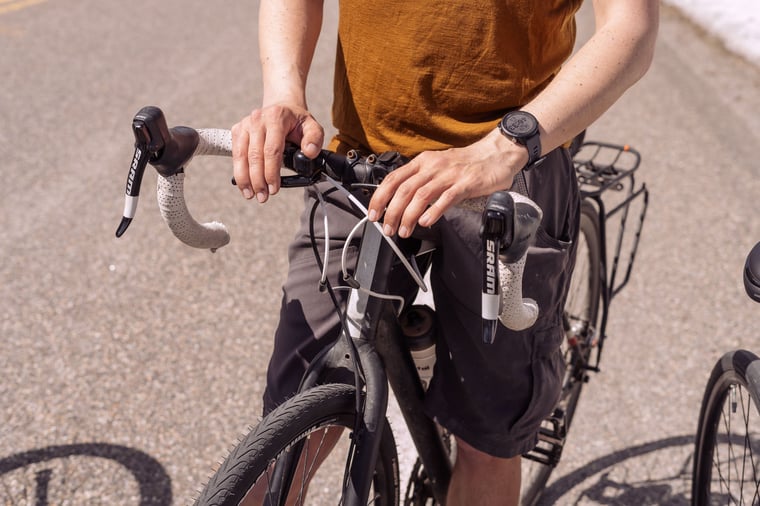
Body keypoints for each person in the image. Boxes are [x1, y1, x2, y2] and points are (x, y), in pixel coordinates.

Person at [231, 0, 658, 504]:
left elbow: (632, 26)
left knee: (489, 438)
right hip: (363, 169)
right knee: (287, 432)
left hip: (505, 173)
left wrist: (503, 148)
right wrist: (284, 91)